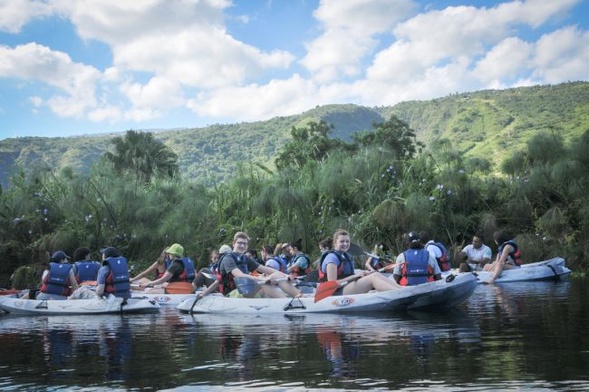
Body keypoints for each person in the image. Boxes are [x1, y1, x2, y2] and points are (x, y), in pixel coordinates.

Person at [198, 231, 301, 299]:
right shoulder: (228, 259)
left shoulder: (245, 258)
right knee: (263, 282)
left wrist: (285, 276)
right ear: (234, 243)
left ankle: (300, 297)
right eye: (239, 243)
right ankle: (286, 303)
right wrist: (263, 279)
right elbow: (240, 275)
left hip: (246, 290)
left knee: (276, 276)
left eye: (245, 244)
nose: (242, 246)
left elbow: (265, 269)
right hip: (234, 294)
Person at [319, 229, 401, 294]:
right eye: (342, 241)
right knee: (372, 278)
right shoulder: (332, 258)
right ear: (335, 243)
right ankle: (399, 293)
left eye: (347, 241)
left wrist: (362, 274)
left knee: (375, 274)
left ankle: (401, 289)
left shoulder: (346, 256)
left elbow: (347, 275)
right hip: (333, 292)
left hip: (345, 287)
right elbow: (331, 284)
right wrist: (355, 276)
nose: (345, 244)